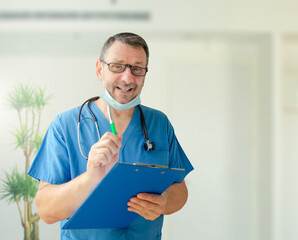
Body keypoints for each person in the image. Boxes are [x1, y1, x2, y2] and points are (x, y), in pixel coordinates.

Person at [28, 32, 194, 240]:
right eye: (117, 66)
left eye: (137, 68)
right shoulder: (66, 126)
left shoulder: (159, 123)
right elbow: (46, 210)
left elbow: (180, 189)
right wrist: (90, 178)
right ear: (100, 69)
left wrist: (164, 202)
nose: (127, 77)